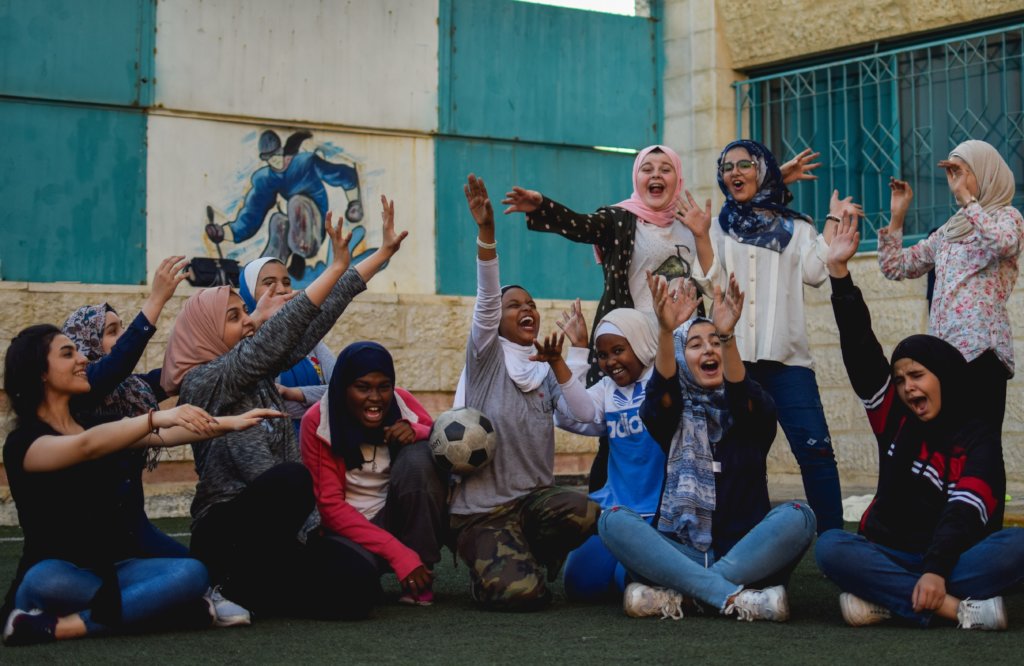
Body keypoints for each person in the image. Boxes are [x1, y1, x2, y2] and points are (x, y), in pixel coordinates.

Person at [163, 196, 406, 620]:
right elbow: (269, 343)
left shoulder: (260, 373)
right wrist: (329, 270)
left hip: (282, 537)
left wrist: (378, 258)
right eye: (236, 316)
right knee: (293, 479)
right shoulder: (202, 382)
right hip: (226, 532)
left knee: (359, 583)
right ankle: (225, 584)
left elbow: (317, 319)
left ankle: (260, 592)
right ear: (206, 330)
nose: (248, 321)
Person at [1, 324, 279, 646]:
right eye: (68, 353)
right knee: (43, 580)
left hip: (111, 571)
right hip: (57, 576)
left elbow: (168, 435)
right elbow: (86, 446)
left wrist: (232, 423)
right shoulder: (23, 443)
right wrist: (155, 417)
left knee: (191, 573)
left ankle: (61, 627)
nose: (82, 360)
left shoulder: (94, 425)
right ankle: (167, 611)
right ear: (40, 373)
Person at [815, 215, 1024, 630]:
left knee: (1017, 545)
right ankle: (954, 609)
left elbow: (966, 511)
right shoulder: (894, 419)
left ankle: (891, 600)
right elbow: (861, 350)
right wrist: (839, 273)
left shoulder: (976, 432)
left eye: (917, 376)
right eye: (900, 380)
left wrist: (935, 570)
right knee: (831, 546)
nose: (907, 388)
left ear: (942, 377)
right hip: (892, 551)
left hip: (953, 556)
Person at [598, 273, 815, 622]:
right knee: (612, 521)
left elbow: (743, 395)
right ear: (683, 361)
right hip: (681, 552)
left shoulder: (752, 412)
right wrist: (667, 333)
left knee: (801, 515)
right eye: (696, 345)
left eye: (715, 342)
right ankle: (732, 596)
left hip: (746, 554)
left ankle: (687, 594)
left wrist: (728, 336)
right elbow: (661, 395)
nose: (709, 349)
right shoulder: (671, 418)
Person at [688, 139, 860, 534]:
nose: (734, 172)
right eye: (727, 166)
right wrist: (700, 236)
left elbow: (819, 273)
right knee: (739, 457)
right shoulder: (718, 228)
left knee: (816, 453)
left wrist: (832, 223)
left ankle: (834, 543)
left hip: (789, 364)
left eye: (745, 164)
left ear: (763, 171)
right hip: (735, 365)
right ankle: (746, 540)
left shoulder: (796, 227)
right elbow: (706, 283)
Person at [451, 175, 600, 611]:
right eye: (514, 305)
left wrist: (571, 358)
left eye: (531, 304)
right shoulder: (485, 357)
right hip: (484, 513)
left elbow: (583, 417)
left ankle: (529, 556)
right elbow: (485, 298)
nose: (526, 309)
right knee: (523, 595)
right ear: (497, 319)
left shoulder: (543, 364)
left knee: (590, 513)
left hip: (533, 505)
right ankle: (498, 571)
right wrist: (487, 234)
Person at [878, 139, 1023, 430]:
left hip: (982, 353)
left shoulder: (1007, 216)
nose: (953, 181)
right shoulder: (950, 229)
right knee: (949, 447)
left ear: (984, 173)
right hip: (943, 357)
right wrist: (898, 216)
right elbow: (896, 267)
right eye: (951, 173)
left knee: (981, 446)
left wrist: (969, 201)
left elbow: (1003, 244)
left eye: (960, 171)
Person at [300, 342, 446, 607]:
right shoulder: (318, 421)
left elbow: (444, 438)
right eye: (363, 387)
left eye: (383, 387)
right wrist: (398, 554)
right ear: (344, 388)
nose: (376, 398)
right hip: (347, 528)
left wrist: (417, 432)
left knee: (420, 457)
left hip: (397, 516)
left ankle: (422, 575)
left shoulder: (402, 404)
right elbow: (330, 507)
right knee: (356, 589)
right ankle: (388, 568)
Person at [552, 303, 665, 602]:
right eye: (602, 355)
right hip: (616, 510)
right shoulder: (606, 390)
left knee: (624, 580)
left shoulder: (663, 380)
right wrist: (577, 352)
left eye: (618, 350)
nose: (610, 361)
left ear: (640, 343)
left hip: (659, 514)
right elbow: (568, 416)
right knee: (581, 586)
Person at [238, 256, 336, 433]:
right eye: (269, 283)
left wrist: (293, 393)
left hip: (317, 440)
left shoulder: (308, 340)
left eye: (286, 282)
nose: (282, 290)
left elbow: (343, 387)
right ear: (249, 291)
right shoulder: (241, 346)